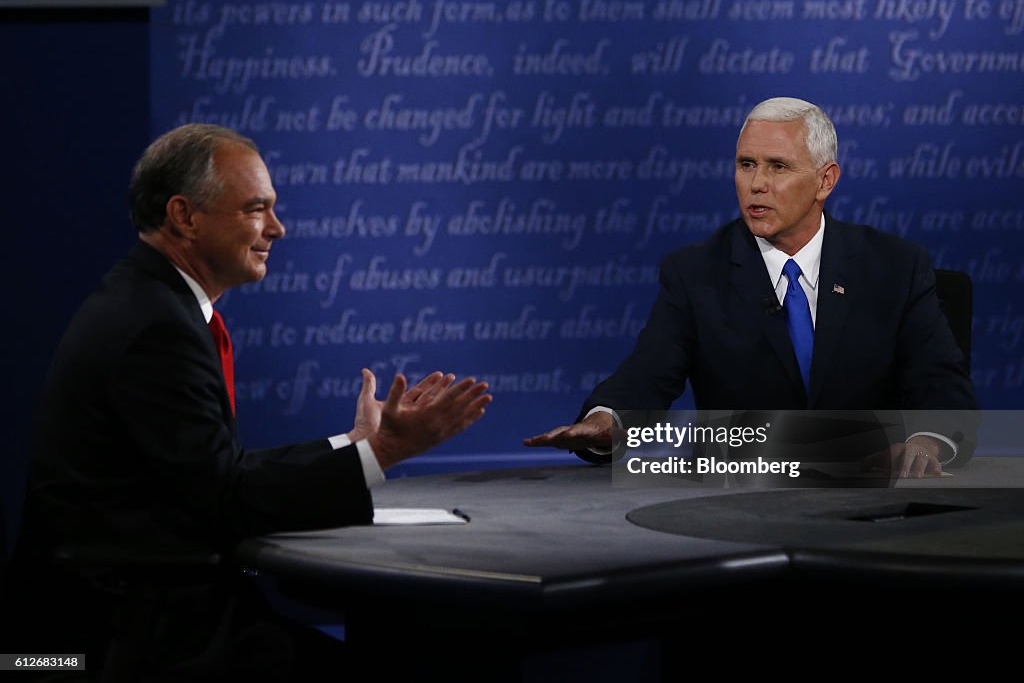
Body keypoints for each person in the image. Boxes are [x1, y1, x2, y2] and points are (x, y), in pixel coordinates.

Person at [6, 124, 491, 679]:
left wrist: (354, 445)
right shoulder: (153, 327)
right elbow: (225, 498)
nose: (277, 229)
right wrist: (381, 452)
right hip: (112, 639)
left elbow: (212, 473)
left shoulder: (154, 302)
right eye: (256, 208)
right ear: (185, 216)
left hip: (151, 613)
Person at [525, 97, 978, 478]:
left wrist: (928, 442)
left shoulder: (894, 267)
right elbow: (646, 377)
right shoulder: (696, 273)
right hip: (738, 505)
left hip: (870, 504)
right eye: (746, 165)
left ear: (826, 181)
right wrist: (609, 421)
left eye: (778, 166)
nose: (757, 184)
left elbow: (942, 386)